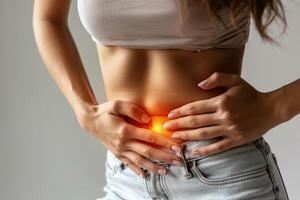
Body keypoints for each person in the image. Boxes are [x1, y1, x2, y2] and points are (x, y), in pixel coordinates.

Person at [33, 0, 299, 199]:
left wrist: (274, 107)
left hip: (223, 173)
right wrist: (86, 114)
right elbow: (47, 18)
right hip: (128, 175)